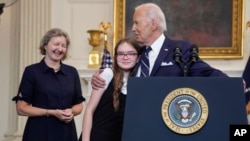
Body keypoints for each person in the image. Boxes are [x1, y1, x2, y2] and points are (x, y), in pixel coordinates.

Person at [91, 3, 228, 89]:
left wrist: (232, 84)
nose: (133, 28)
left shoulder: (179, 49)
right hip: (136, 122)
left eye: (136, 23)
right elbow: (120, 73)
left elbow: (206, 72)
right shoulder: (136, 53)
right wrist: (100, 77)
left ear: (153, 24)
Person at [12, 28, 85, 141]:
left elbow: (79, 105)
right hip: (38, 133)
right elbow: (21, 108)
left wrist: (72, 111)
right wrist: (51, 112)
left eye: (63, 46)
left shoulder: (72, 72)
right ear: (45, 46)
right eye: (56, 44)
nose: (60, 49)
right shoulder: (32, 71)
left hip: (66, 133)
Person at [79, 37, 141, 141]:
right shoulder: (107, 74)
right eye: (121, 54)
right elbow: (89, 110)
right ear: (116, 57)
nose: (125, 57)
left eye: (131, 53)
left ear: (138, 57)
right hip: (97, 136)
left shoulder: (139, 81)